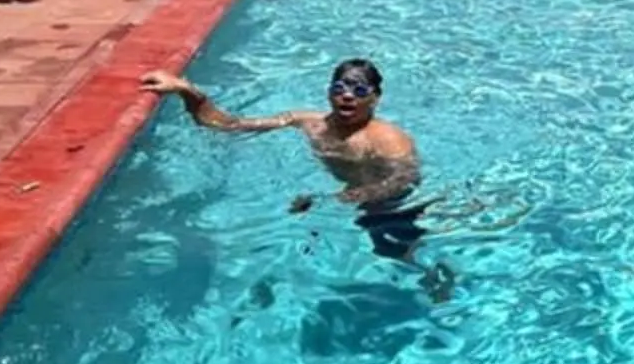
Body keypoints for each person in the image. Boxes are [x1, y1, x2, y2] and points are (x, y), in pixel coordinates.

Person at [140, 56, 430, 260]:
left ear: (375, 98)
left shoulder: (387, 138)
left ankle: (439, 278)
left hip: (390, 207)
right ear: (329, 93)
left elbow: (406, 178)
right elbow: (229, 125)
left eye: (360, 90)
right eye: (339, 88)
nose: (347, 97)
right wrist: (187, 90)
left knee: (400, 255)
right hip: (352, 197)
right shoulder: (308, 122)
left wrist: (340, 199)